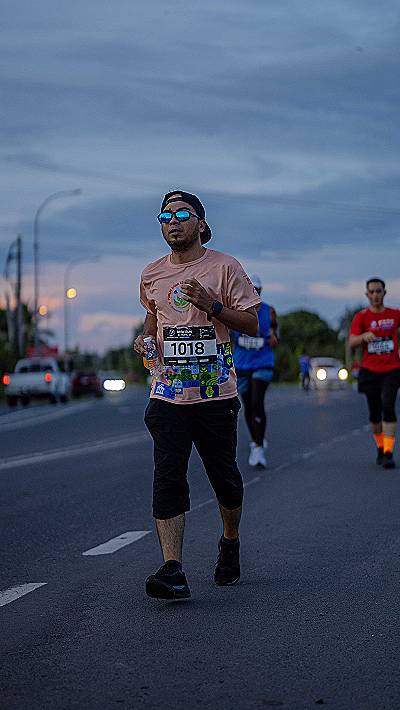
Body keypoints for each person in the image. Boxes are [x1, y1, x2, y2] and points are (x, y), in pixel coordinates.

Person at [134, 190, 260, 599]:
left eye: (182, 214)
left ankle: (230, 542)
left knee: (225, 480)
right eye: (165, 216)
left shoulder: (225, 267)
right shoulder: (152, 274)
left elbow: (252, 324)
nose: (172, 221)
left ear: (201, 224)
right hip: (168, 393)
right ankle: (173, 569)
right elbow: (153, 320)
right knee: (168, 477)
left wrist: (213, 306)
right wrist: (146, 342)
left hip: (215, 395)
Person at [349, 278, 400, 469]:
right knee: (375, 413)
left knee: (389, 406)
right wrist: (363, 337)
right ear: (367, 294)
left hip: (392, 369)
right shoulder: (361, 317)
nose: (376, 295)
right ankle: (380, 447)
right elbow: (352, 342)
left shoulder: (394, 314)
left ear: (384, 293)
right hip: (370, 370)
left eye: (379, 291)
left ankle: (388, 452)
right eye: (372, 292)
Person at [232, 275, 278, 468]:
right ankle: (255, 440)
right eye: (250, 289)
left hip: (262, 363)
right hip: (242, 364)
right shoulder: (236, 310)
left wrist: (273, 337)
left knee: (257, 402)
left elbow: (275, 336)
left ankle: (258, 447)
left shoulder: (269, 311)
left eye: (257, 290)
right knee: (248, 406)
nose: (254, 293)